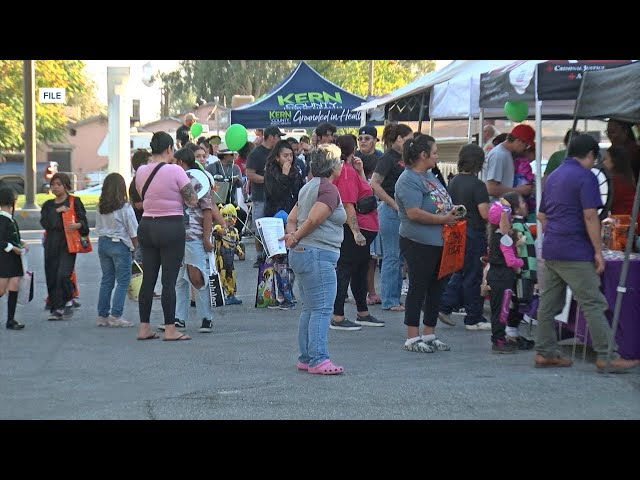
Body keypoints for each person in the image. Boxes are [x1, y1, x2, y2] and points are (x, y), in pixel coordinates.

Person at [535, 134, 640, 372]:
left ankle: (545, 352)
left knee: (548, 304)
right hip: (575, 249)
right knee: (593, 302)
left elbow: (542, 216)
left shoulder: (553, 176)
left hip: (552, 247)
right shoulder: (586, 177)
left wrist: (558, 234)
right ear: (591, 155)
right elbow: (590, 216)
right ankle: (606, 355)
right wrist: (597, 251)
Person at [281, 144, 347, 374]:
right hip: (318, 253)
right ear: (331, 165)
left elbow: (293, 217)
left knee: (309, 308)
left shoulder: (308, 187)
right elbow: (314, 219)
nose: (342, 165)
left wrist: (292, 235)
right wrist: (295, 236)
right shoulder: (328, 189)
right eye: (339, 161)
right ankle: (319, 358)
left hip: (304, 253)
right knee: (321, 308)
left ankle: (307, 357)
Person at [395, 134, 457, 353]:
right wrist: (443, 219)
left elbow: (438, 202)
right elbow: (413, 213)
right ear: (423, 155)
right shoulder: (408, 179)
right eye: (435, 152)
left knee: (437, 288)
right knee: (418, 287)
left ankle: (429, 333)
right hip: (418, 241)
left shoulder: (430, 175)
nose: (437, 156)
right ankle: (412, 336)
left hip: (441, 241)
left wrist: (452, 212)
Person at [134, 132, 198, 341]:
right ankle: (170, 328)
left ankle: (144, 327)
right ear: (170, 148)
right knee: (168, 280)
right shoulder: (176, 170)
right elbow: (192, 200)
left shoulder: (141, 171)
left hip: (147, 225)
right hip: (171, 225)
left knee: (149, 279)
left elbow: (141, 195)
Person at [330, 135, 382, 331]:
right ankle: (338, 315)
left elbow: (365, 191)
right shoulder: (344, 172)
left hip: (363, 227)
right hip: (356, 228)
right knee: (346, 270)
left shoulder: (350, 170)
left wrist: (360, 172)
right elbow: (348, 204)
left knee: (359, 271)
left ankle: (362, 312)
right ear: (352, 150)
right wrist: (356, 232)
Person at [439, 144, 491, 330]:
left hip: (456, 230)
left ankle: (445, 305)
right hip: (473, 232)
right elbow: (485, 213)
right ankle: (473, 317)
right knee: (472, 274)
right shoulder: (478, 185)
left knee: (459, 271)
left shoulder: (454, 181)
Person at [371, 123, 413, 312]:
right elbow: (375, 184)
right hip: (390, 211)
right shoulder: (388, 158)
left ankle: (394, 297)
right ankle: (389, 299)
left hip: (401, 212)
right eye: (408, 139)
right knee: (392, 256)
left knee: (399, 256)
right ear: (399, 139)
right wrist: (392, 203)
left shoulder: (403, 158)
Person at [486, 193, 535, 353]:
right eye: (507, 218)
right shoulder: (504, 238)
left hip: (496, 275)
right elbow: (511, 261)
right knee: (502, 309)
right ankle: (499, 341)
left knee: (498, 308)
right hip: (503, 276)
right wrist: (522, 262)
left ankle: (499, 338)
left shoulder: (495, 235)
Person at [40, 173, 90, 321]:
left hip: (69, 244)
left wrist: (78, 224)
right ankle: (58, 308)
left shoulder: (74, 201)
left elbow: (84, 222)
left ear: (66, 186)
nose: (55, 187)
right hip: (51, 244)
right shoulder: (48, 205)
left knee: (63, 274)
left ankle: (68, 299)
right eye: (53, 184)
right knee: (52, 276)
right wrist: (57, 211)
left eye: (58, 184)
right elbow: (45, 223)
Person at [95, 173, 138, 328]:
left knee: (107, 280)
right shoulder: (125, 207)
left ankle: (102, 315)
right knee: (123, 281)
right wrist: (135, 248)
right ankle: (116, 315)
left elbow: (98, 227)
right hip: (120, 244)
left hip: (103, 242)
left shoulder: (100, 206)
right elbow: (133, 231)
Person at [246, 125, 285, 267]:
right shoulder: (256, 153)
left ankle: (275, 253)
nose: (280, 139)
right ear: (271, 137)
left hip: (276, 197)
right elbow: (250, 174)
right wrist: (267, 179)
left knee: (276, 225)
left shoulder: (278, 152)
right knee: (259, 226)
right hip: (260, 196)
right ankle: (259, 256)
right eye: (278, 136)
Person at [483, 123, 535, 202]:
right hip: (497, 209)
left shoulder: (506, 153)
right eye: (526, 145)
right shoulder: (499, 155)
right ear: (518, 141)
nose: (525, 149)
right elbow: (491, 189)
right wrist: (519, 190)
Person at [0, 187, 26, 330]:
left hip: (14, 260)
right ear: (13, 201)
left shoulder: (10, 219)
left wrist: (20, 243)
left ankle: (11, 319)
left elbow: (12, 237)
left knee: (14, 285)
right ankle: (10, 319)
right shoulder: (2, 219)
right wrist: (13, 247)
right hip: (4, 259)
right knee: (1, 290)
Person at [213, 203, 245, 306]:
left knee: (231, 277)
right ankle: (221, 295)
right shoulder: (219, 227)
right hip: (221, 258)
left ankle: (231, 295)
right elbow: (215, 232)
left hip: (230, 259)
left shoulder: (235, 231)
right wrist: (219, 231)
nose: (229, 219)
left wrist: (240, 252)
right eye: (225, 216)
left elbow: (236, 244)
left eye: (232, 216)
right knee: (221, 277)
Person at [602, 146, 636, 217]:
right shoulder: (624, 178)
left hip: (627, 221)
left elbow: (605, 202)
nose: (603, 162)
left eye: (605, 159)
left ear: (614, 161)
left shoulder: (616, 181)